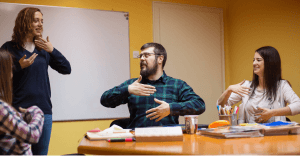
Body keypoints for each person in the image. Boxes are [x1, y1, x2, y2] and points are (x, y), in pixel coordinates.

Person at [1, 7, 71, 155]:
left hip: (44, 112)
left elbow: (66, 68)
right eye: (36, 21)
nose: (40, 24)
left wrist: (52, 50)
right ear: (25, 23)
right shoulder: (9, 48)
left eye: (42, 21)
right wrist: (19, 66)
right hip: (17, 112)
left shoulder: (43, 49)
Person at [101, 42, 205, 128]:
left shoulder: (177, 85)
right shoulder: (133, 84)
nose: (142, 59)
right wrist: (127, 90)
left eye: (146, 55)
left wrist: (171, 108)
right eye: (140, 56)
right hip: (136, 142)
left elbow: (199, 105)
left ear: (160, 59)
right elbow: (105, 100)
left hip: (168, 141)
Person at [217, 46, 300, 124]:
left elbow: (298, 105)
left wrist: (272, 113)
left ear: (270, 63)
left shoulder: (282, 85)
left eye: (258, 60)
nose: (254, 63)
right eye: (253, 60)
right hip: (249, 134)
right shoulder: (246, 86)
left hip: (274, 134)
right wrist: (228, 90)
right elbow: (221, 106)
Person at [0, 49, 44, 155]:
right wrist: (37, 112)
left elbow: (11, 120)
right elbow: (33, 135)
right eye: (10, 70)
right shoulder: (1, 108)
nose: (11, 76)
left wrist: (24, 114)